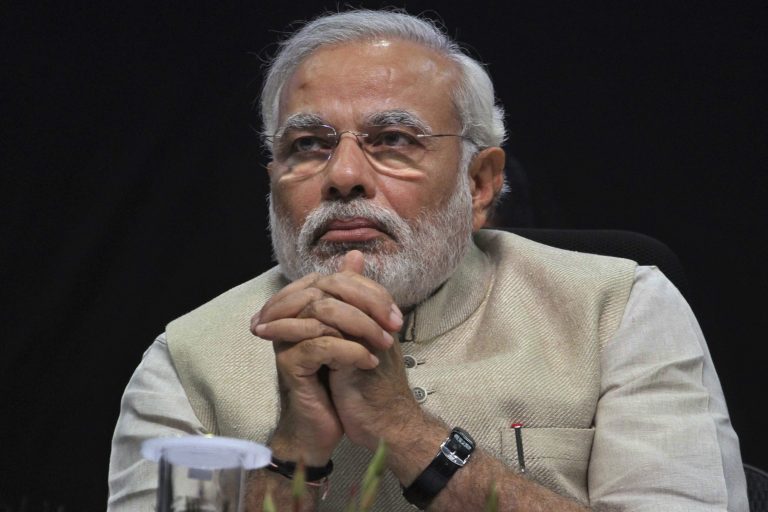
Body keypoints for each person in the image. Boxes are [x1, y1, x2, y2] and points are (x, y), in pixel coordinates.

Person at [108, 9, 748, 511]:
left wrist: (405, 430)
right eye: (308, 144)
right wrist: (293, 456)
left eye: (392, 140)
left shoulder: (622, 309)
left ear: (479, 184)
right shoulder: (188, 359)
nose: (345, 176)